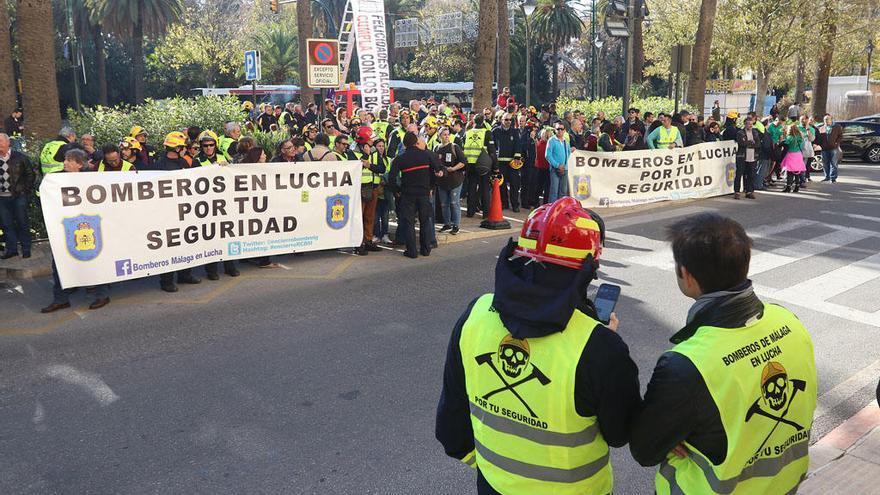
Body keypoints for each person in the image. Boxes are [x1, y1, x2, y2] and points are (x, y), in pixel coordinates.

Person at [436, 197, 641, 495]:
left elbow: (450, 427)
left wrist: (493, 474)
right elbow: (620, 432)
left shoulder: (476, 314)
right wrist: (606, 341)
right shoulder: (600, 347)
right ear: (589, 266)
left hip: (494, 486)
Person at [630, 213, 817, 495]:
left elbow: (645, 450)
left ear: (687, 275)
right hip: (784, 485)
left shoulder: (687, 364)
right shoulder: (788, 321)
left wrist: (673, 435)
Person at [40, 149, 111, 312]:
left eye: (69, 160)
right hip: (65, 228)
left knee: (95, 260)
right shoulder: (56, 178)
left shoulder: (91, 179)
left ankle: (102, 295)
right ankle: (61, 299)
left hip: (89, 227)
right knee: (59, 262)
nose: (65, 162)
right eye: (65, 159)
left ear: (79, 164)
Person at [143, 132, 203, 291]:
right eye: (183, 147)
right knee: (168, 247)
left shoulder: (183, 161)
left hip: (185, 210)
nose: (185, 149)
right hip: (166, 213)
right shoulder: (159, 166)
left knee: (187, 243)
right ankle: (166, 281)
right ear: (177, 148)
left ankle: (185, 274)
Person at [387, 132, 443, 259]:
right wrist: (431, 186)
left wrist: (397, 190)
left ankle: (411, 251)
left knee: (409, 223)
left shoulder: (400, 159)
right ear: (416, 142)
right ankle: (425, 249)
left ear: (405, 144)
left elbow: (391, 178)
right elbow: (438, 169)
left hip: (408, 195)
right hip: (424, 193)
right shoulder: (426, 155)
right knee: (425, 221)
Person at [0, 133, 34, 259]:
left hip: (18, 195)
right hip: (2, 197)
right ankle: (12, 249)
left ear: (8, 143)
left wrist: (25, 190)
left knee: (22, 222)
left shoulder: (20, 157)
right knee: (6, 224)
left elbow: (30, 175)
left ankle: (26, 249)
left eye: (1, 141)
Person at [463, 115, 497, 219]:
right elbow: (492, 152)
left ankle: (470, 212)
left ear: (473, 121)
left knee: (471, 188)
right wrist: (495, 166)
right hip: (483, 165)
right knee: (485, 188)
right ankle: (486, 213)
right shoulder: (486, 133)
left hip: (470, 164)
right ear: (483, 122)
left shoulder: (467, 133)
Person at [356, 130, 383, 256]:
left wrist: (369, 165)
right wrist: (366, 156)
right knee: (358, 218)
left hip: (373, 188)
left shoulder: (374, 151)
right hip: (359, 189)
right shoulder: (353, 152)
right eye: (371, 138)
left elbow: (381, 168)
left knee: (369, 217)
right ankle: (358, 243)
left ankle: (368, 241)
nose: (373, 140)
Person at [435, 127, 466, 235]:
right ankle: (447, 223)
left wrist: (453, 168)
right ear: (439, 136)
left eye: (448, 134)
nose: (446, 136)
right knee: (444, 204)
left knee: (454, 203)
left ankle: (456, 225)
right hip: (442, 181)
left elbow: (463, 162)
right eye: (444, 134)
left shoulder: (454, 147)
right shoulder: (436, 148)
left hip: (455, 180)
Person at [493, 113, 520, 211]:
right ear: (501, 120)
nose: (508, 122)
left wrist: (517, 157)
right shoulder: (496, 131)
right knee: (502, 184)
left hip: (512, 164)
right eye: (506, 120)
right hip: (500, 163)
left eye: (510, 120)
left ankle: (515, 205)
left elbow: (518, 145)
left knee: (514, 184)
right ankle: (504, 204)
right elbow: (492, 146)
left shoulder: (515, 132)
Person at [734, 117, 760, 200]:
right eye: (749, 124)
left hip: (752, 156)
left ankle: (749, 191)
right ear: (745, 124)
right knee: (739, 174)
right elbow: (742, 143)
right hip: (742, 156)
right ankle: (737, 191)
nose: (750, 126)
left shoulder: (755, 132)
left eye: (751, 124)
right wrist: (751, 142)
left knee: (751, 175)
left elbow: (758, 144)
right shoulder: (740, 133)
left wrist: (750, 143)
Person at [545, 123, 570, 202]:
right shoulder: (551, 140)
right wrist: (557, 165)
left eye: (561, 129)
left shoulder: (566, 141)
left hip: (565, 169)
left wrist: (564, 165)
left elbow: (568, 153)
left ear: (564, 130)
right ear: (555, 130)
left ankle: (561, 210)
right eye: (558, 129)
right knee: (554, 191)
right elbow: (548, 155)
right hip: (554, 169)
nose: (560, 131)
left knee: (563, 192)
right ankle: (552, 211)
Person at [780, 124, 806, 193]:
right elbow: (803, 145)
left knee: (790, 172)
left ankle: (788, 187)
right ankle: (797, 186)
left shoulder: (790, 137)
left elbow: (786, 143)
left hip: (791, 154)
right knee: (797, 172)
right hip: (798, 155)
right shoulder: (800, 137)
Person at [818, 113, 842, 183]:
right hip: (824, 149)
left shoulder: (837, 127)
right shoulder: (822, 128)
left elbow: (840, 136)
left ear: (831, 120)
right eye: (825, 119)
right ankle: (827, 177)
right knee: (825, 164)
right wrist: (820, 145)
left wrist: (836, 143)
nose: (826, 121)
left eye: (827, 119)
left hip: (833, 148)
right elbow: (819, 138)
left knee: (834, 164)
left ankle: (833, 178)